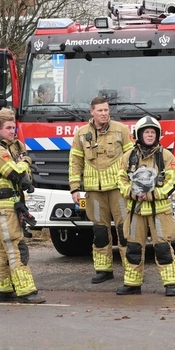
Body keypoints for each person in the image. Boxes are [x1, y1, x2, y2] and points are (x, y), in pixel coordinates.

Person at [0, 108, 46, 303]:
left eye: (14, 127)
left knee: (0, 248)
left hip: (2, 205)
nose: (12, 131)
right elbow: (16, 173)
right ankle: (27, 292)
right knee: (16, 247)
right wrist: (25, 161)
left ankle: (2, 289)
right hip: (3, 207)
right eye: (8, 128)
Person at [68, 96, 134, 283]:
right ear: (92, 112)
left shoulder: (121, 130)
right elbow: (75, 162)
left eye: (106, 110)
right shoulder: (81, 133)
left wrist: (131, 185)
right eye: (100, 111)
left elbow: (132, 158)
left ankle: (132, 270)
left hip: (118, 190)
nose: (104, 113)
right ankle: (104, 270)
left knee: (124, 230)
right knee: (99, 231)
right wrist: (74, 188)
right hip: (94, 192)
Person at [116, 115, 175, 297]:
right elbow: (120, 180)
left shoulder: (166, 156)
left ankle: (170, 284)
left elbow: (172, 181)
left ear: (158, 135)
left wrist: (152, 195)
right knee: (133, 248)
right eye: (147, 132)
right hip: (135, 211)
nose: (150, 135)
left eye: (153, 132)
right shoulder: (128, 156)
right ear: (139, 134)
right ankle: (132, 284)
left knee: (163, 248)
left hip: (159, 212)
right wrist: (132, 193)